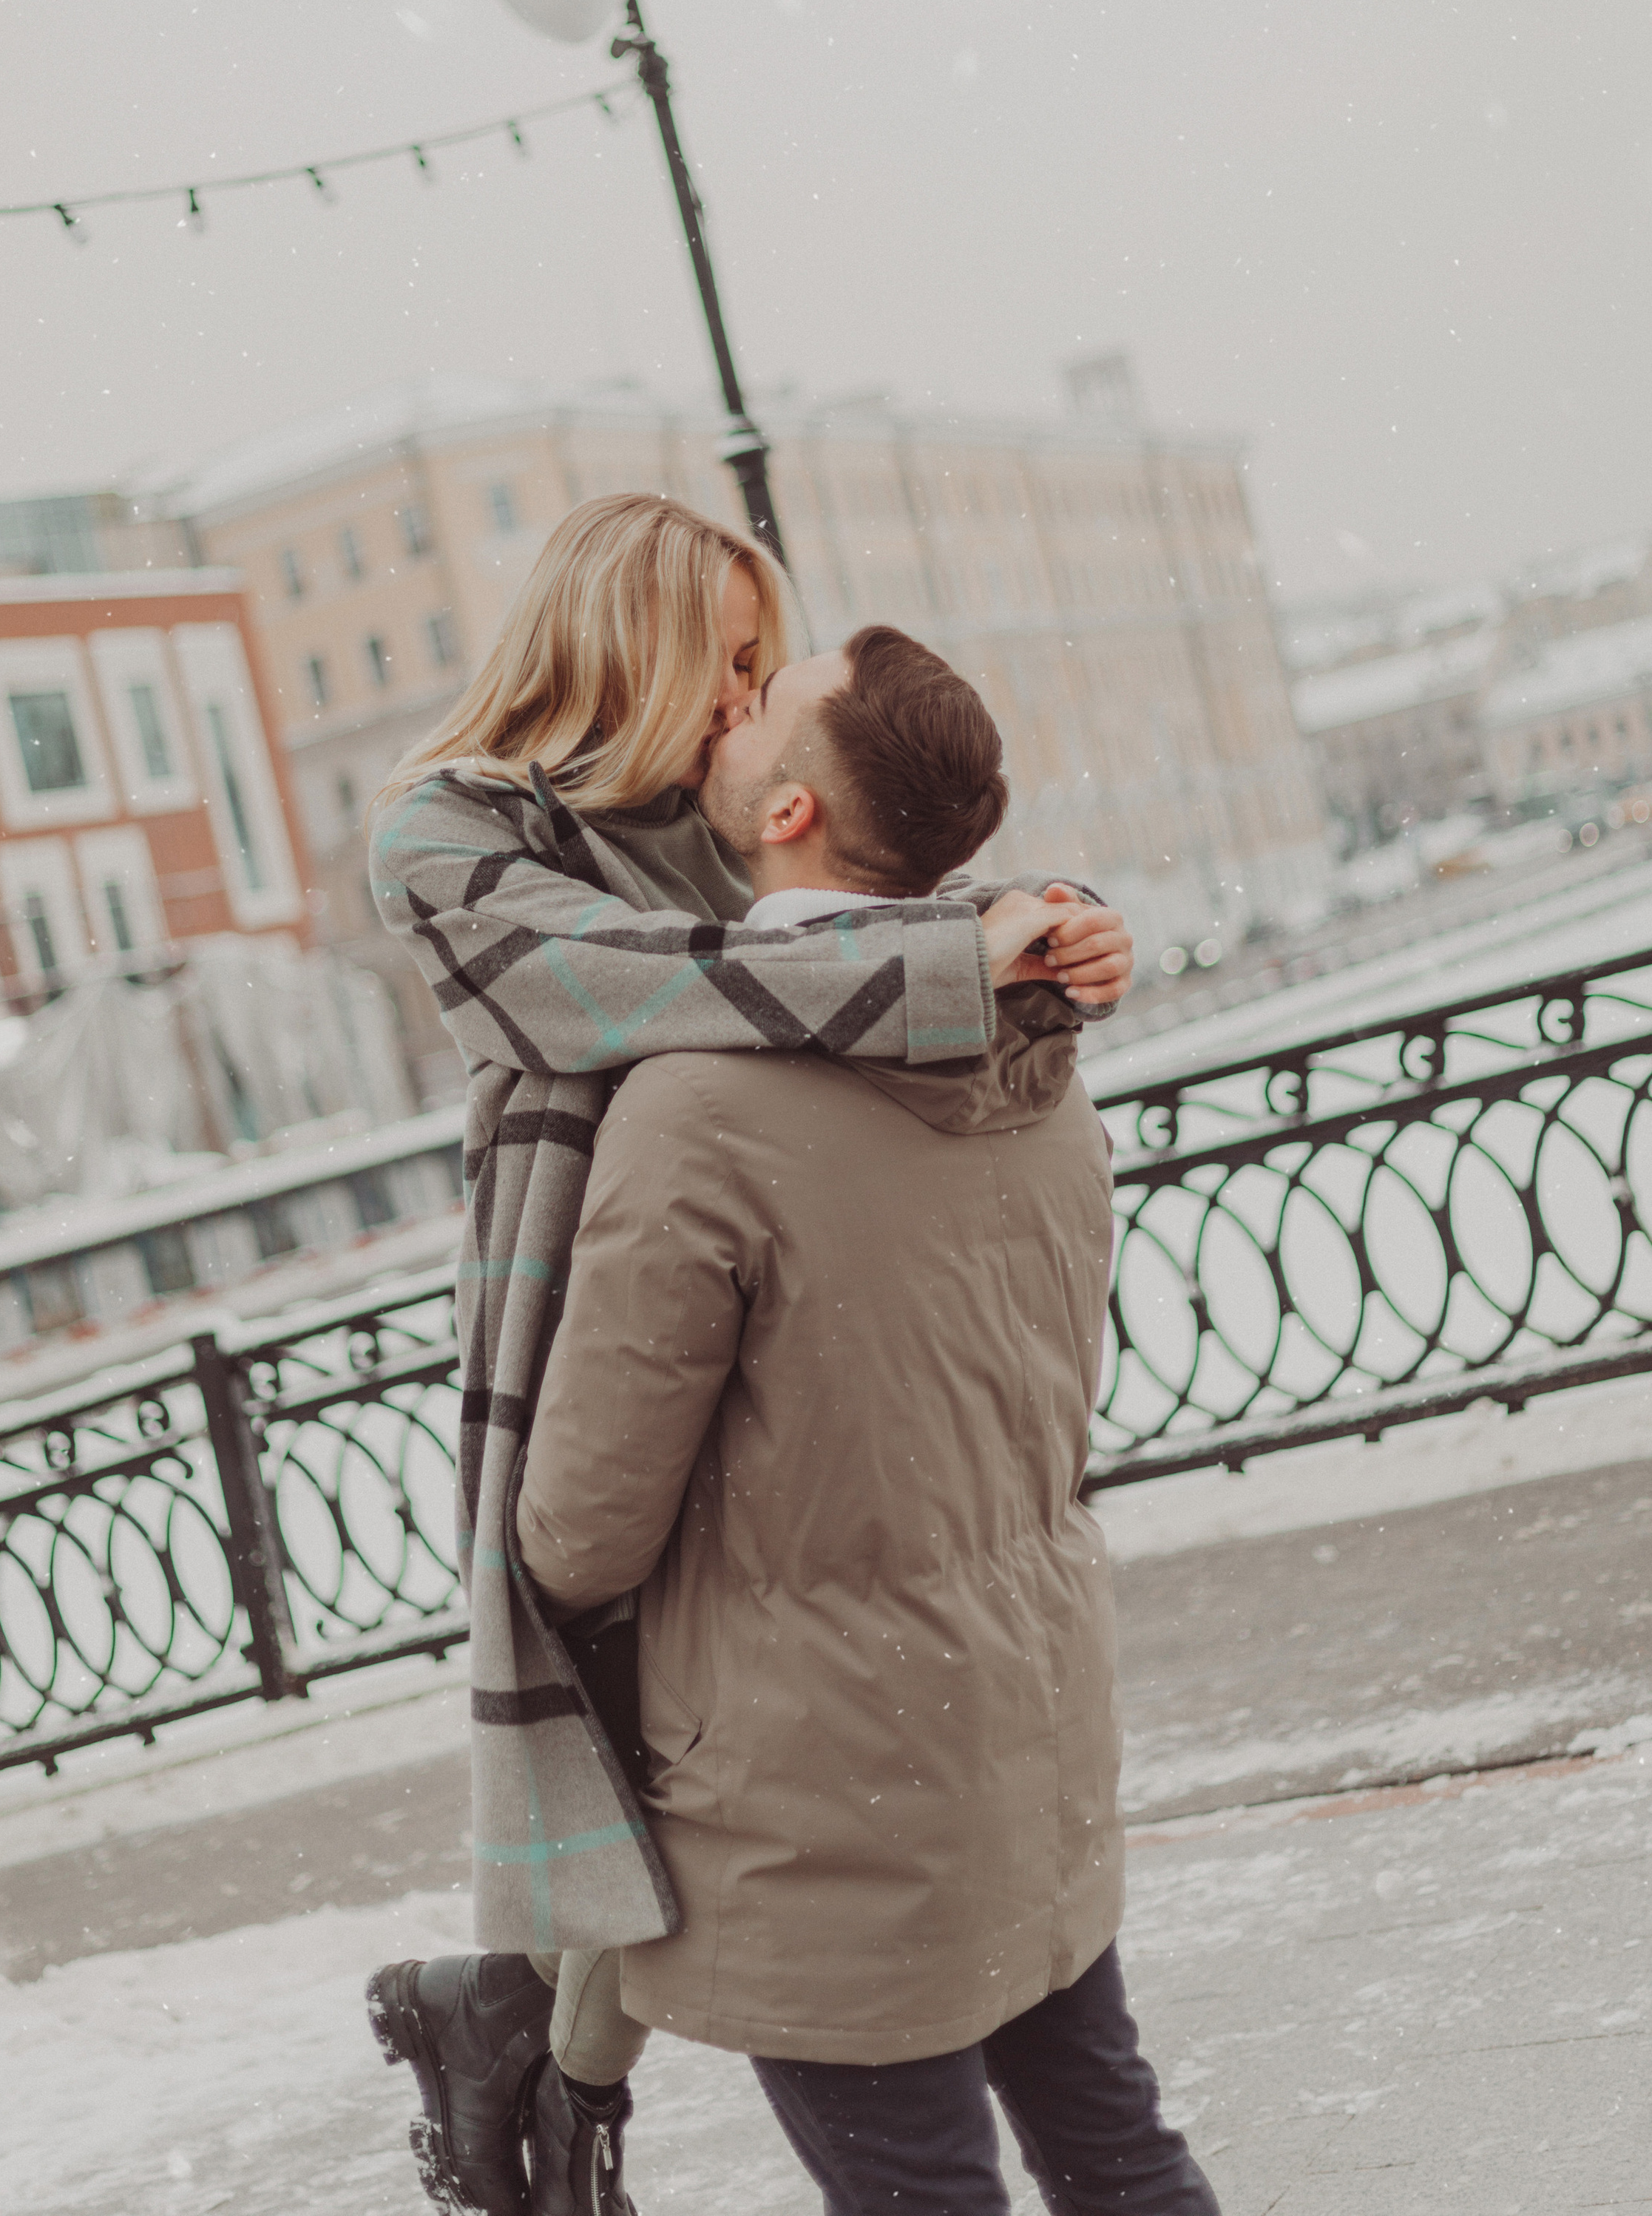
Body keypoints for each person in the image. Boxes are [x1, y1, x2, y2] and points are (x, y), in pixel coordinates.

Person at [364, 497, 1135, 2215]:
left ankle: (523, 2057)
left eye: (749, 671)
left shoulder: (711, 814)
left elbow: (846, 876)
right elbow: (653, 987)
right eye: (715, 661)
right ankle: (534, 2065)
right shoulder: (448, 831)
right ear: (612, 641)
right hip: (588, 1308)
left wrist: (1032, 920)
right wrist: (965, 951)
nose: (735, 703)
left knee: (708, 1772)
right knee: (632, 1730)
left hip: (751, 1317)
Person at [515, 624, 1216, 2216]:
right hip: (1017, 1720)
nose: (734, 711)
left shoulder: (702, 1101)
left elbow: (581, 1527)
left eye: (769, 702)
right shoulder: (1031, 1061)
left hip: (823, 1781)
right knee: (1116, 2152)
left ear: (784, 820)